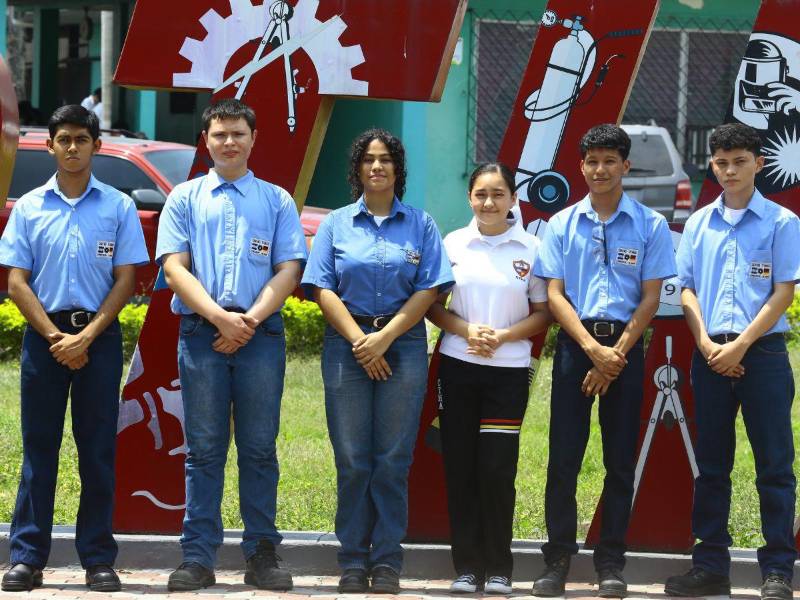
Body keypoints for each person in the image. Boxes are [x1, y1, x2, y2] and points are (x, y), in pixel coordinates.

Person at [155, 98, 307, 592]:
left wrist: (249, 320)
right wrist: (220, 317)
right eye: (219, 134)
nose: (229, 142)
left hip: (260, 337)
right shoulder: (184, 197)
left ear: (253, 138)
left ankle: (262, 555)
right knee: (203, 451)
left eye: (238, 133)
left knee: (259, 449)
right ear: (206, 140)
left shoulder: (277, 200)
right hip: (202, 335)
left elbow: (289, 268)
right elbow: (175, 268)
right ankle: (197, 557)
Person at [0, 105, 149, 593]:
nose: (71, 147)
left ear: (96, 145)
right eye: (62, 139)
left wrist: (86, 336)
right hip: (45, 341)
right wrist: (55, 338)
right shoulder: (29, 207)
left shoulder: (118, 207)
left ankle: (98, 560)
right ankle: (27, 558)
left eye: (81, 139)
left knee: (97, 453)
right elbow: (17, 283)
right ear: (50, 145)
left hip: (98, 341)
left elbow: (127, 279)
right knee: (39, 453)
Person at [301, 128, 453, 594]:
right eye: (368, 159)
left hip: (402, 345)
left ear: (397, 168)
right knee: (352, 459)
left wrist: (384, 338)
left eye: (386, 159)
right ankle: (351, 561)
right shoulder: (336, 224)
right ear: (358, 169)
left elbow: (429, 288)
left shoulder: (421, 225)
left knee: (392, 458)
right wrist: (360, 341)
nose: (377, 167)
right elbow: (322, 287)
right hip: (347, 347)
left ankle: (386, 561)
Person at [531, 124, 676, 598]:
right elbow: (553, 293)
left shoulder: (650, 225)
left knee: (619, 462)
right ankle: (556, 561)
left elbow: (651, 298)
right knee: (564, 459)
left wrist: (615, 354)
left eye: (610, 161)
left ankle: (611, 563)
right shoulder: (561, 224)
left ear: (625, 166)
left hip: (627, 350)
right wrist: (593, 350)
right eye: (592, 162)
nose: (600, 170)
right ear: (581, 167)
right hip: (577, 348)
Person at [664, 123, 799, 600]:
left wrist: (740, 345)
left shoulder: (782, 222)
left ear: (759, 164)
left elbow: (783, 291)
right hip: (709, 353)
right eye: (721, 162)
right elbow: (687, 287)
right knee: (711, 464)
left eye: (739, 161)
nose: (729, 170)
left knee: (775, 465)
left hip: (760, 355)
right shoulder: (699, 222)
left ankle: (778, 570)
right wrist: (704, 342)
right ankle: (710, 567)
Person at [426, 163, 551, 595]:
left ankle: (499, 567)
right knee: (460, 466)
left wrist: (502, 337)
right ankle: (467, 567)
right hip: (457, 365)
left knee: (497, 469)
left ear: (514, 199)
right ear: (470, 198)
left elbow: (543, 313)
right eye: (481, 194)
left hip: (508, 371)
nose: (489, 202)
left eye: (498, 194)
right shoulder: (453, 243)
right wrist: (465, 332)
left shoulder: (531, 248)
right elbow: (432, 305)